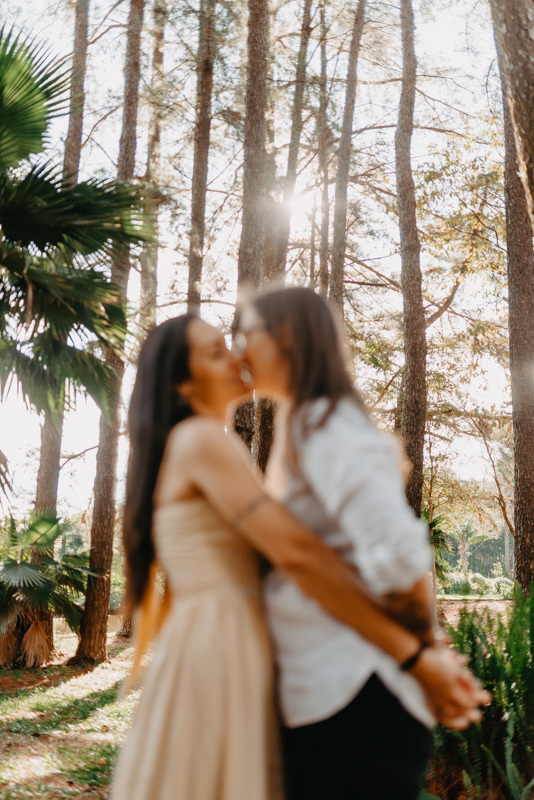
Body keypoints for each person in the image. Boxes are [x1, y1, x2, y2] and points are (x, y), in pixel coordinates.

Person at [110, 312, 488, 800]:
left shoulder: (203, 445)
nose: (236, 356)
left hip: (224, 633)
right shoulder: (202, 440)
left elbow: (296, 540)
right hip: (221, 639)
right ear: (183, 386)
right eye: (215, 351)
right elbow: (298, 552)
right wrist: (415, 657)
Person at [237, 285, 489, 800]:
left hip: (355, 701)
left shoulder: (324, 423)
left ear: (284, 334)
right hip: (331, 696)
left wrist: (423, 652)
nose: (240, 348)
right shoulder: (305, 421)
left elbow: (399, 559)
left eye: (248, 333)